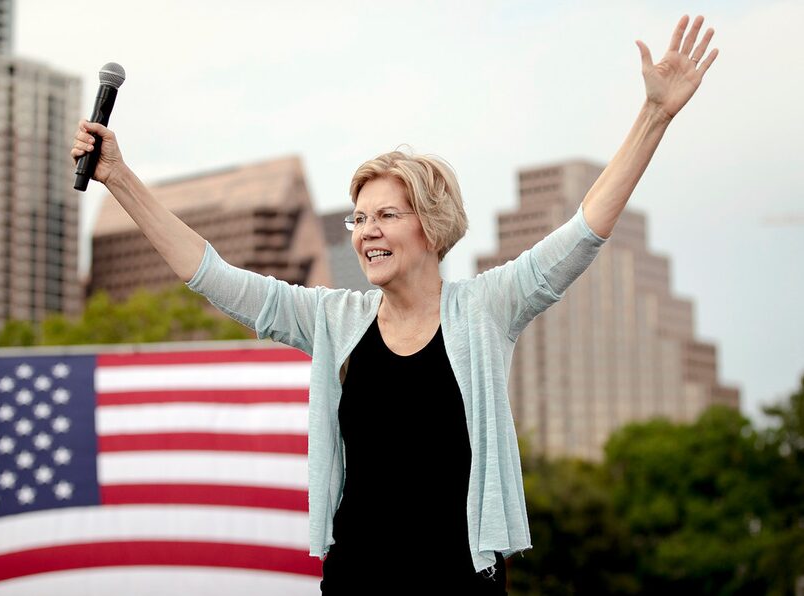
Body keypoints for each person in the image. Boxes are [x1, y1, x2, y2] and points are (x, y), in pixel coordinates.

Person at [71, 14, 717, 595]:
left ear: (431, 227)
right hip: (357, 584)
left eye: (385, 214)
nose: (366, 230)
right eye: (357, 218)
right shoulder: (334, 321)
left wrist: (654, 116)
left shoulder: (487, 309)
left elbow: (583, 233)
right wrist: (120, 180)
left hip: (460, 585)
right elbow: (214, 276)